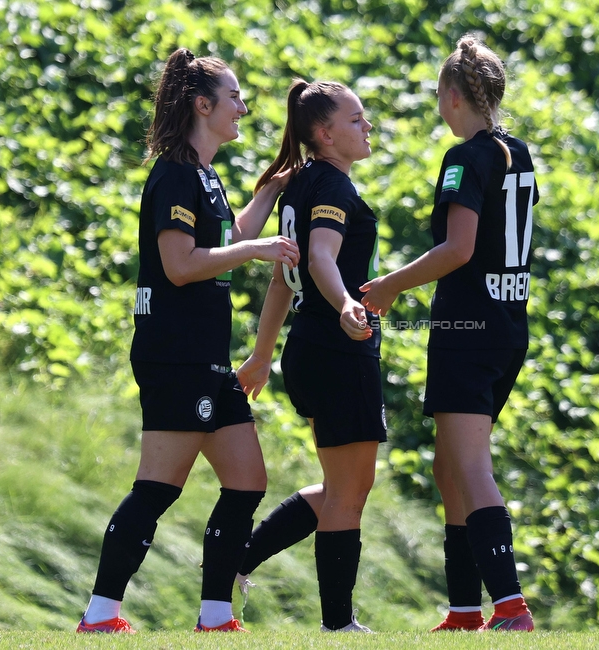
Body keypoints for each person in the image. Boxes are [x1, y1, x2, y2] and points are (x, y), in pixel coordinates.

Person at [76, 47, 300, 634]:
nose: (243, 109)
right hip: (174, 354)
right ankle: (100, 616)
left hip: (206, 359)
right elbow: (180, 264)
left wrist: (268, 195)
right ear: (203, 105)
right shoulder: (174, 173)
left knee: (248, 479)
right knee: (157, 487)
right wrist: (254, 250)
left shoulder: (205, 174)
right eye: (234, 98)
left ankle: (216, 617)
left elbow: (230, 234)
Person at [359, 35, 538, 632]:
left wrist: (389, 285)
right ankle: (464, 609)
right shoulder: (518, 150)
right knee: (449, 465)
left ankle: (510, 606)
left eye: (439, 93)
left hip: (470, 327)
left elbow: (458, 249)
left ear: (454, 95)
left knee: (468, 463)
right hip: (510, 326)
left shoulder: (465, 156)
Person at [235, 78, 385, 633]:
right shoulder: (330, 187)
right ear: (324, 134)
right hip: (337, 346)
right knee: (350, 490)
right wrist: (348, 304)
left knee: (342, 486)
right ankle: (337, 626)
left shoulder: (303, 184)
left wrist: (261, 355)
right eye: (355, 120)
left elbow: (282, 277)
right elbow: (321, 257)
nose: (366, 126)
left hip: (310, 346)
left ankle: (237, 561)